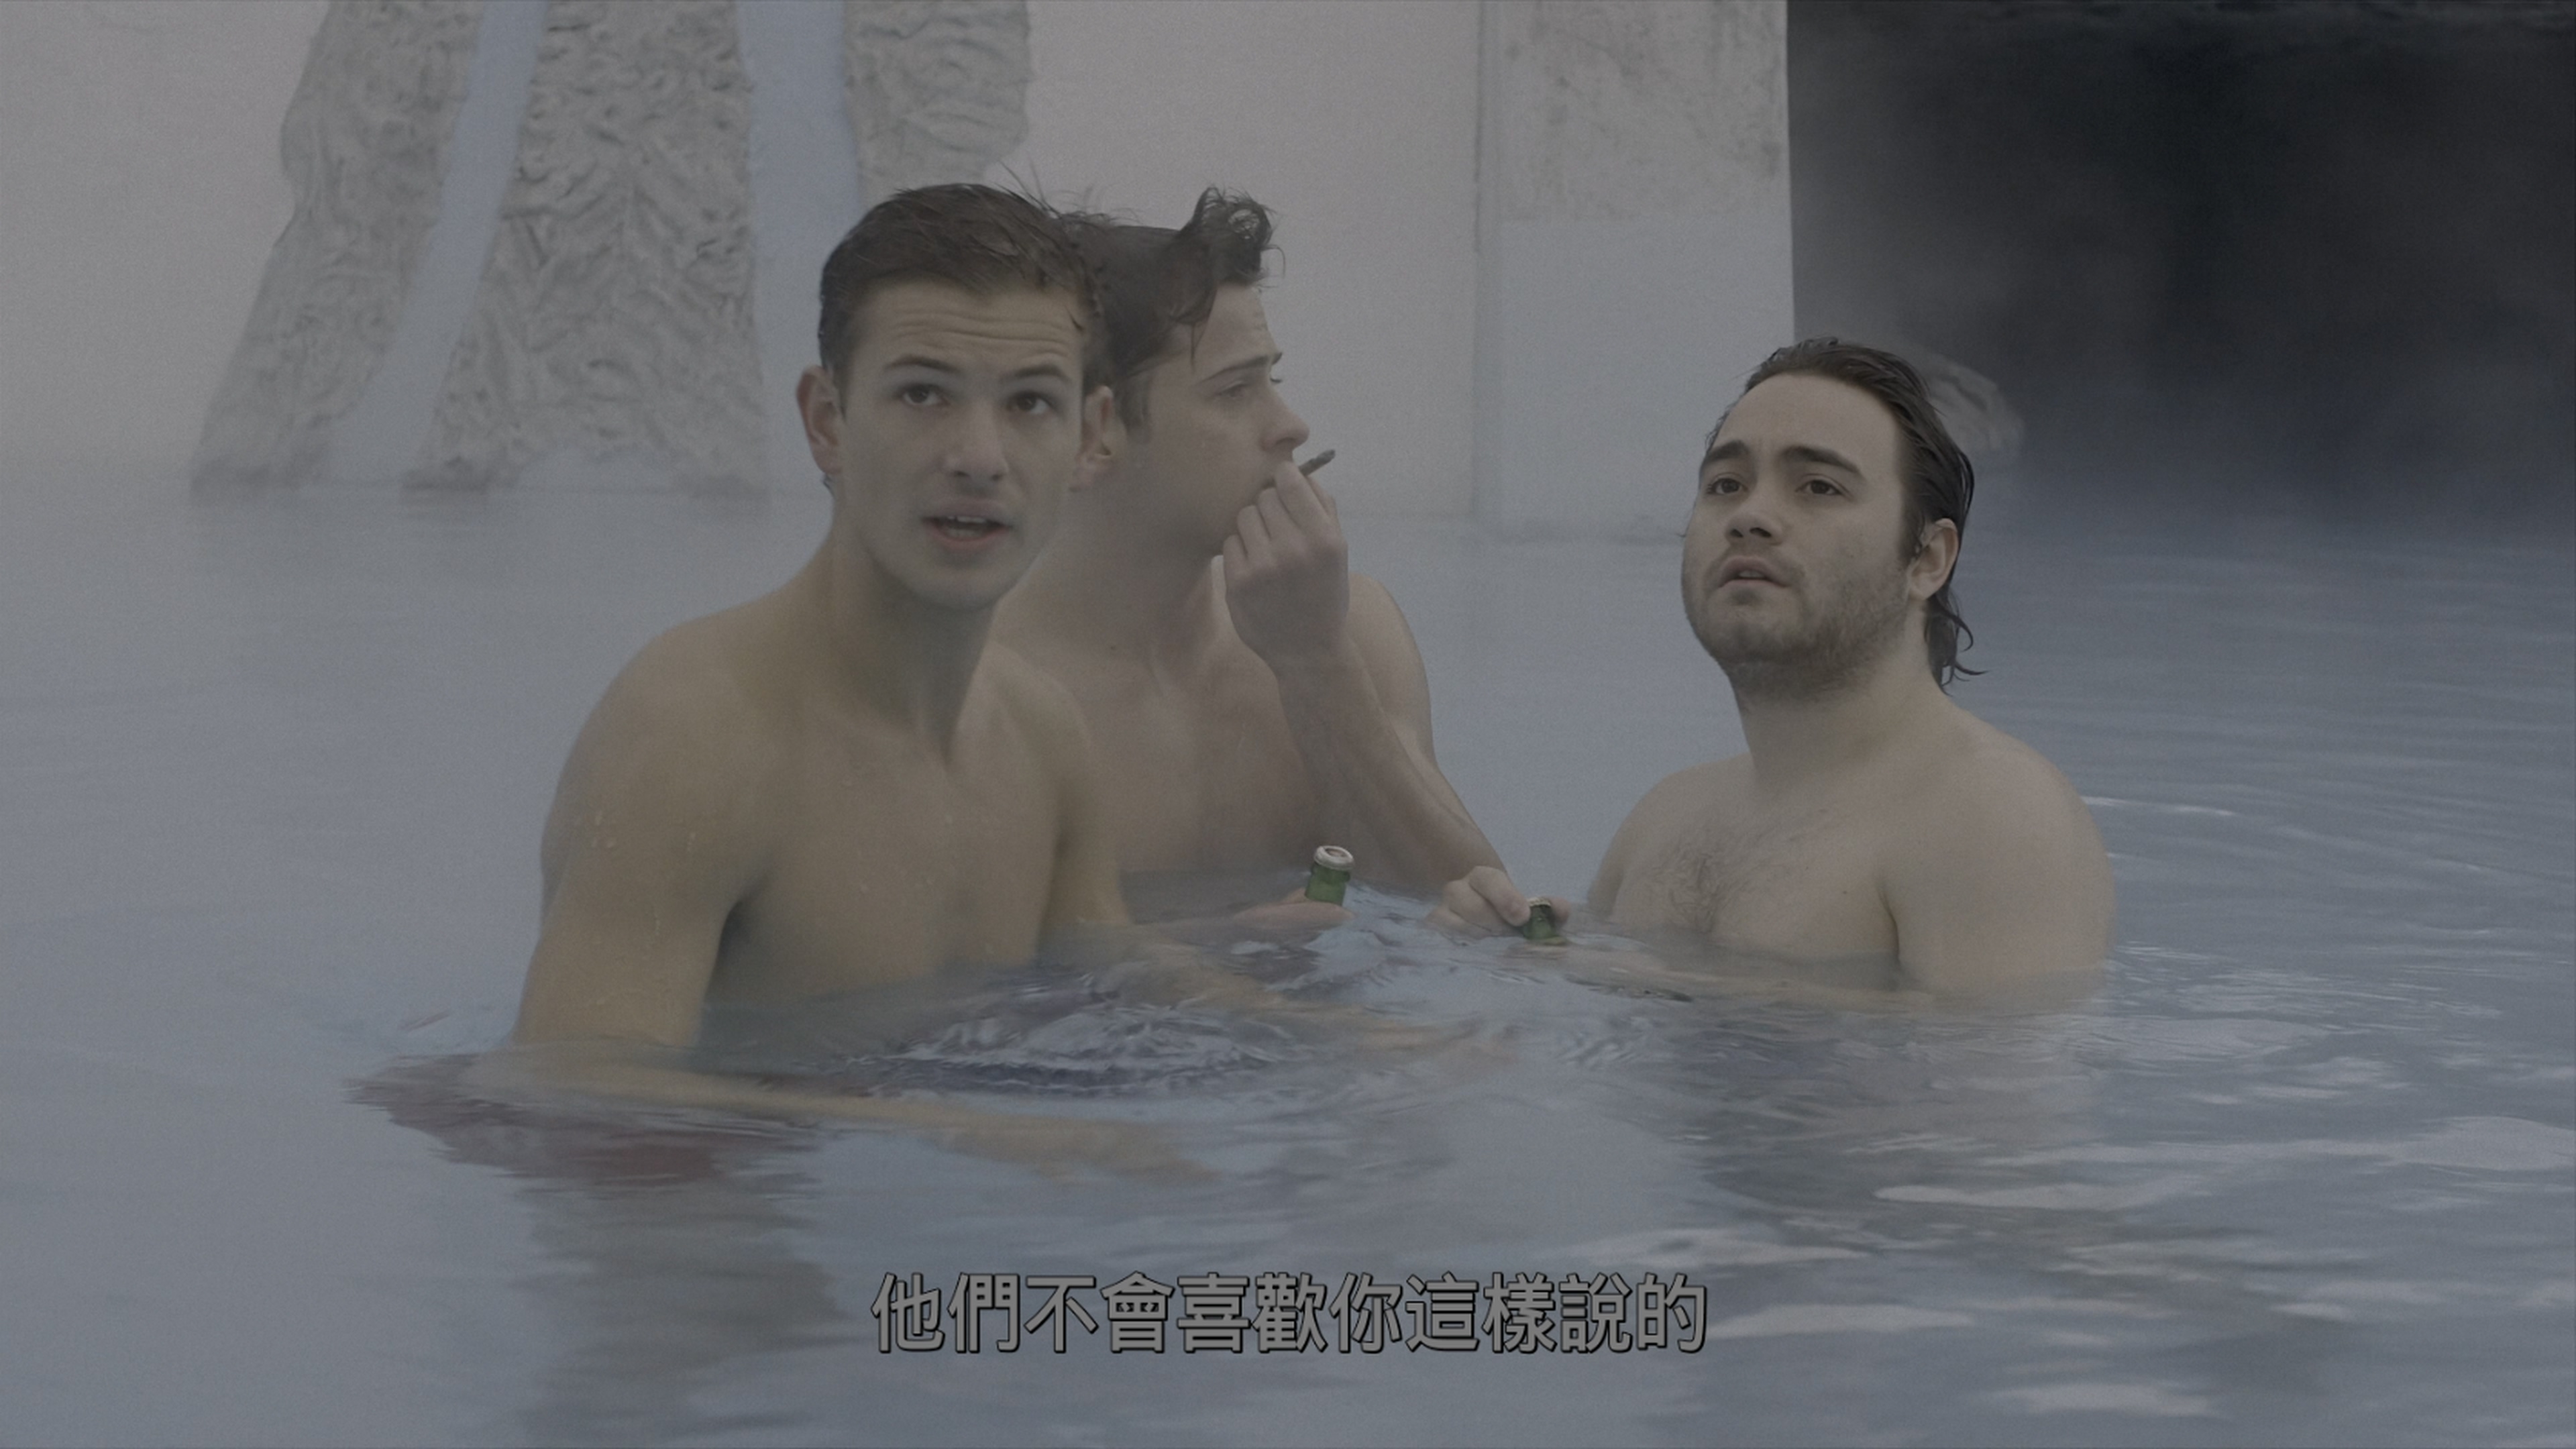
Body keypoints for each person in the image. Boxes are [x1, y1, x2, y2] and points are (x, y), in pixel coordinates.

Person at [498, 184, 1170, 1166]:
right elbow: (565, 1088)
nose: (978, 457)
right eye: (922, 394)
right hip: (716, 1230)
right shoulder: (698, 733)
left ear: (1091, 435)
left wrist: (1340, 1034)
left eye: (1030, 403)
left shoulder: (1041, 733)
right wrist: (970, 1132)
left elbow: (1110, 975)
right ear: (826, 421)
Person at [1437, 339, 2113, 992]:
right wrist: (1517, 941)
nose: (1750, 516)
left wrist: (1663, 983)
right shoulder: (1664, 818)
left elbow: (1990, 1058)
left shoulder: (1992, 814)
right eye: (1726, 484)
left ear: (1928, 560)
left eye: (1818, 486)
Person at [994, 190, 1502, 891]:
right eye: (1235, 391)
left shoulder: (1348, 629)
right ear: (1094, 433)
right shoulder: (981, 698)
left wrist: (1317, 665)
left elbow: (1486, 922)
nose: (1291, 426)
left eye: (1274, 379)